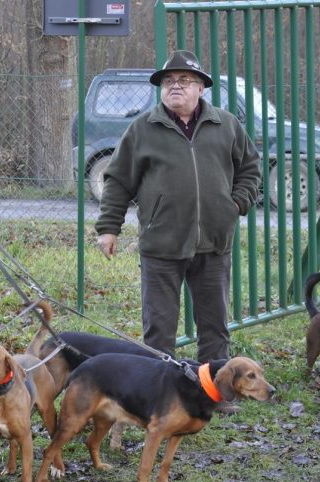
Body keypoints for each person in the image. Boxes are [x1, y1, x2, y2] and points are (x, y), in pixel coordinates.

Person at [95, 50, 260, 414]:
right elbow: (118, 180)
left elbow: (250, 168)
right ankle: (161, 395)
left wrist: (235, 205)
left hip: (214, 242)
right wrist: (109, 228)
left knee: (214, 324)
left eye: (184, 81)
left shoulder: (226, 125)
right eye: (169, 82)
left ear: (201, 87)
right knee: (159, 328)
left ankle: (216, 394)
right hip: (161, 244)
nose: (175, 87)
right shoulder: (143, 128)